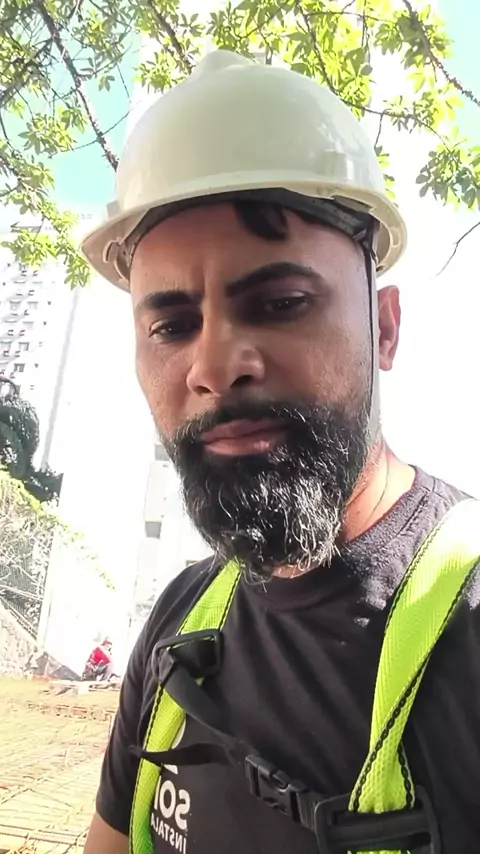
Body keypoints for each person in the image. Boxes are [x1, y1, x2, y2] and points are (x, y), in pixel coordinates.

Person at [82, 50, 480, 854]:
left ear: (385, 328)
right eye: (171, 325)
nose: (212, 366)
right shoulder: (179, 628)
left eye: (281, 302)